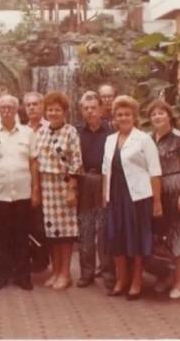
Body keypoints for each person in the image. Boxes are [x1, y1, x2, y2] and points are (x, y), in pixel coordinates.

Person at [102, 96, 162, 300]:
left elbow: (155, 171)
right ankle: (122, 279)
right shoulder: (110, 140)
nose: (123, 118)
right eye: (119, 114)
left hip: (138, 197)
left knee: (137, 239)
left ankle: (137, 281)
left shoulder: (144, 139)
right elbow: (105, 171)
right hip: (115, 196)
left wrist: (157, 202)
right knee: (116, 238)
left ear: (134, 116)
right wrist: (104, 197)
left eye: (127, 114)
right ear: (114, 118)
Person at [0, 95, 39, 291]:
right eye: (3, 108)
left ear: (16, 110)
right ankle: (0, 276)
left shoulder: (28, 133)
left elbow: (33, 163)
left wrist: (35, 191)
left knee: (21, 236)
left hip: (22, 194)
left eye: (10, 108)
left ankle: (23, 276)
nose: (6, 111)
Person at [148, 100, 180, 299]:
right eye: (154, 114)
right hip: (155, 192)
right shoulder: (147, 139)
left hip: (176, 190)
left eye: (161, 113)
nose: (157, 117)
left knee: (178, 236)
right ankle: (162, 276)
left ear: (169, 116)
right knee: (159, 236)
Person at [35, 91, 82, 290]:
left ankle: (65, 273)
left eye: (57, 110)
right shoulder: (41, 132)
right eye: (50, 110)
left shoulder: (71, 132)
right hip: (47, 186)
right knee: (51, 232)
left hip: (64, 184)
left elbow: (76, 161)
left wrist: (72, 189)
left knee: (66, 232)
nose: (53, 113)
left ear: (64, 112)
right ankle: (55, 271)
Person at [76, 91, 112, 288]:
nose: (90, 111)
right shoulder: (77, 133)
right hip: (83, 182)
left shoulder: (111, 132)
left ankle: (107, 272)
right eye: (86, 108)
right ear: (81, 111)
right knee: (86, 228)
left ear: (101, 110)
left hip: (104, 181)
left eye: (93, 108)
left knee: (104, 229)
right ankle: (86, 273)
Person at [22, 91, 50, 273]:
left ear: (42, 106)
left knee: (46, 224)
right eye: (28, 105)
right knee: (30, 223)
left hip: (48, 183)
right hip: (26, 182)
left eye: (35, 104)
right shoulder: (21, 130)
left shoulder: (51, 127)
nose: (32, 108)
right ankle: (34, 260)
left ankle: (46, 261)